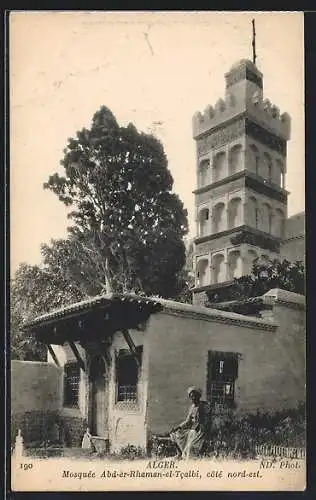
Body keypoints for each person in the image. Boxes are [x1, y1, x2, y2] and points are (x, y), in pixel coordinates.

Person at [170, 387, 211, 459]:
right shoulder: (192, 407)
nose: (193, 398)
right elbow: (188, 421)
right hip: (193, 430)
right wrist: (178, 427)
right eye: (191, 396)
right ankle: (179, 453)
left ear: (199, 396)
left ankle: (190, 458)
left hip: (200, 431)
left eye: (195, 396)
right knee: (174, 434)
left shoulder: (203, 407)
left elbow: (206, 421)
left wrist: (202, 429)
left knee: (190, 447)